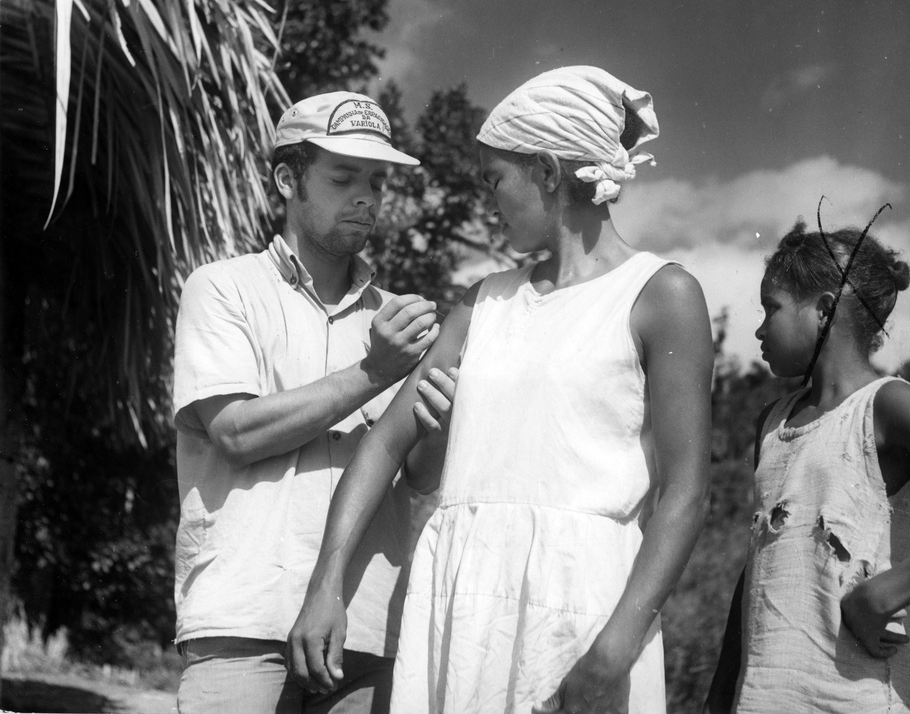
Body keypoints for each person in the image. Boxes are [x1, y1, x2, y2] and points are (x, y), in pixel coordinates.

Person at [286, 65, 715, 714]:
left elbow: (686, 493)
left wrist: (611, 653)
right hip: (461, 611)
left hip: (581, 615)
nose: (488, 200)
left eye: (496, 179)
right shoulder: (480, 305)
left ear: (546, 170)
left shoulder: (662, 295)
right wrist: (327, 585)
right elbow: (381, 449)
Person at [172, 91, 458, 714]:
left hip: (364, 625)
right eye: (342, 176)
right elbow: (236, 434)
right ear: (286, 179)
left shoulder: (399, 319)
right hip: (243, 619)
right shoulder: (222, 288)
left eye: (378, 181)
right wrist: (373, 372)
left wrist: (439, 417)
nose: (367, 196)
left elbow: (420, 475)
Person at [704, 221, 910, 713]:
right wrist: (719, 697)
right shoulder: (772, 424)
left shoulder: (889, 406)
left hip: (857, 697)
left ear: (823, 310)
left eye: (770, 308)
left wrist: (883, 594)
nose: (759, 328)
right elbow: (764, 559)